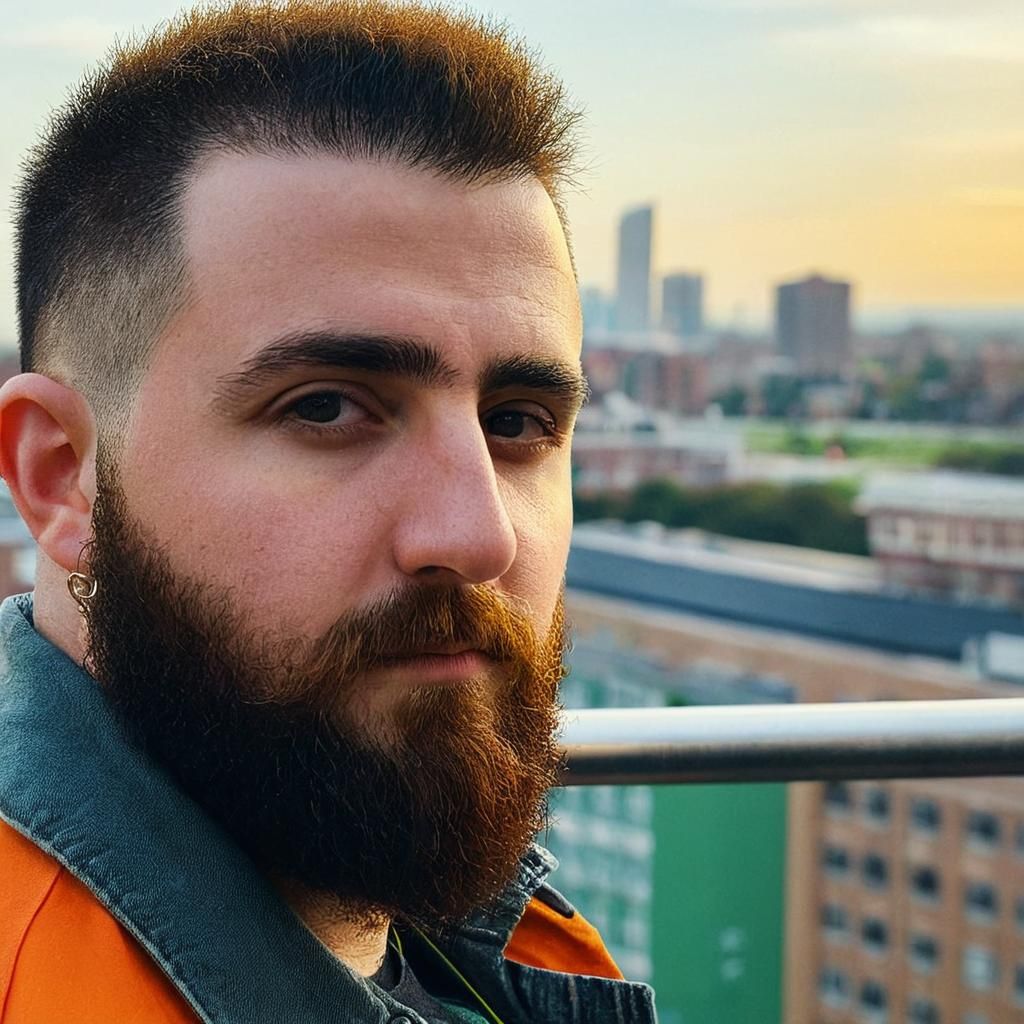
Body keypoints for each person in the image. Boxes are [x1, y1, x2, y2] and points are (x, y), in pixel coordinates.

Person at [0, 3, 657, 1022]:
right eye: (326, 407)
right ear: (61, 477)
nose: (478, 535)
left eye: (518, 420)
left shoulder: (483, 936)